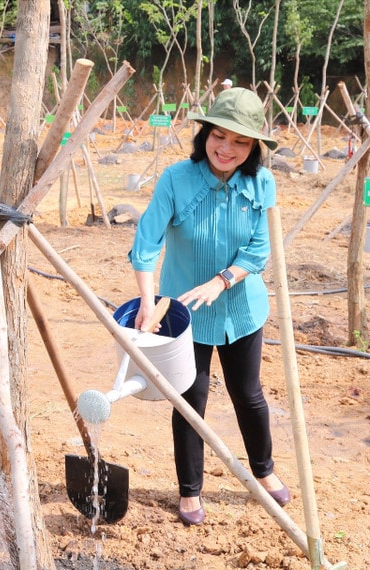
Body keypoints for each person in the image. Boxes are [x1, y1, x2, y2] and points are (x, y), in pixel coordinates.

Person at [128, 87, 289, 527]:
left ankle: (264, 470)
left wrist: (222, 281)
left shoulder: (263, 183)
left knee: (248, 394)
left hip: (241, 310)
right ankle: (190, 490)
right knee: (189, 399)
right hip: (184, 313)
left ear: (254, 146)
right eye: (219, 136)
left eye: (240, 141)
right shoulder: (175, 179)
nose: (227, 148)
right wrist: (148, 302)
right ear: (205, 135)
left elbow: (260, 248)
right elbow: (145, 246)